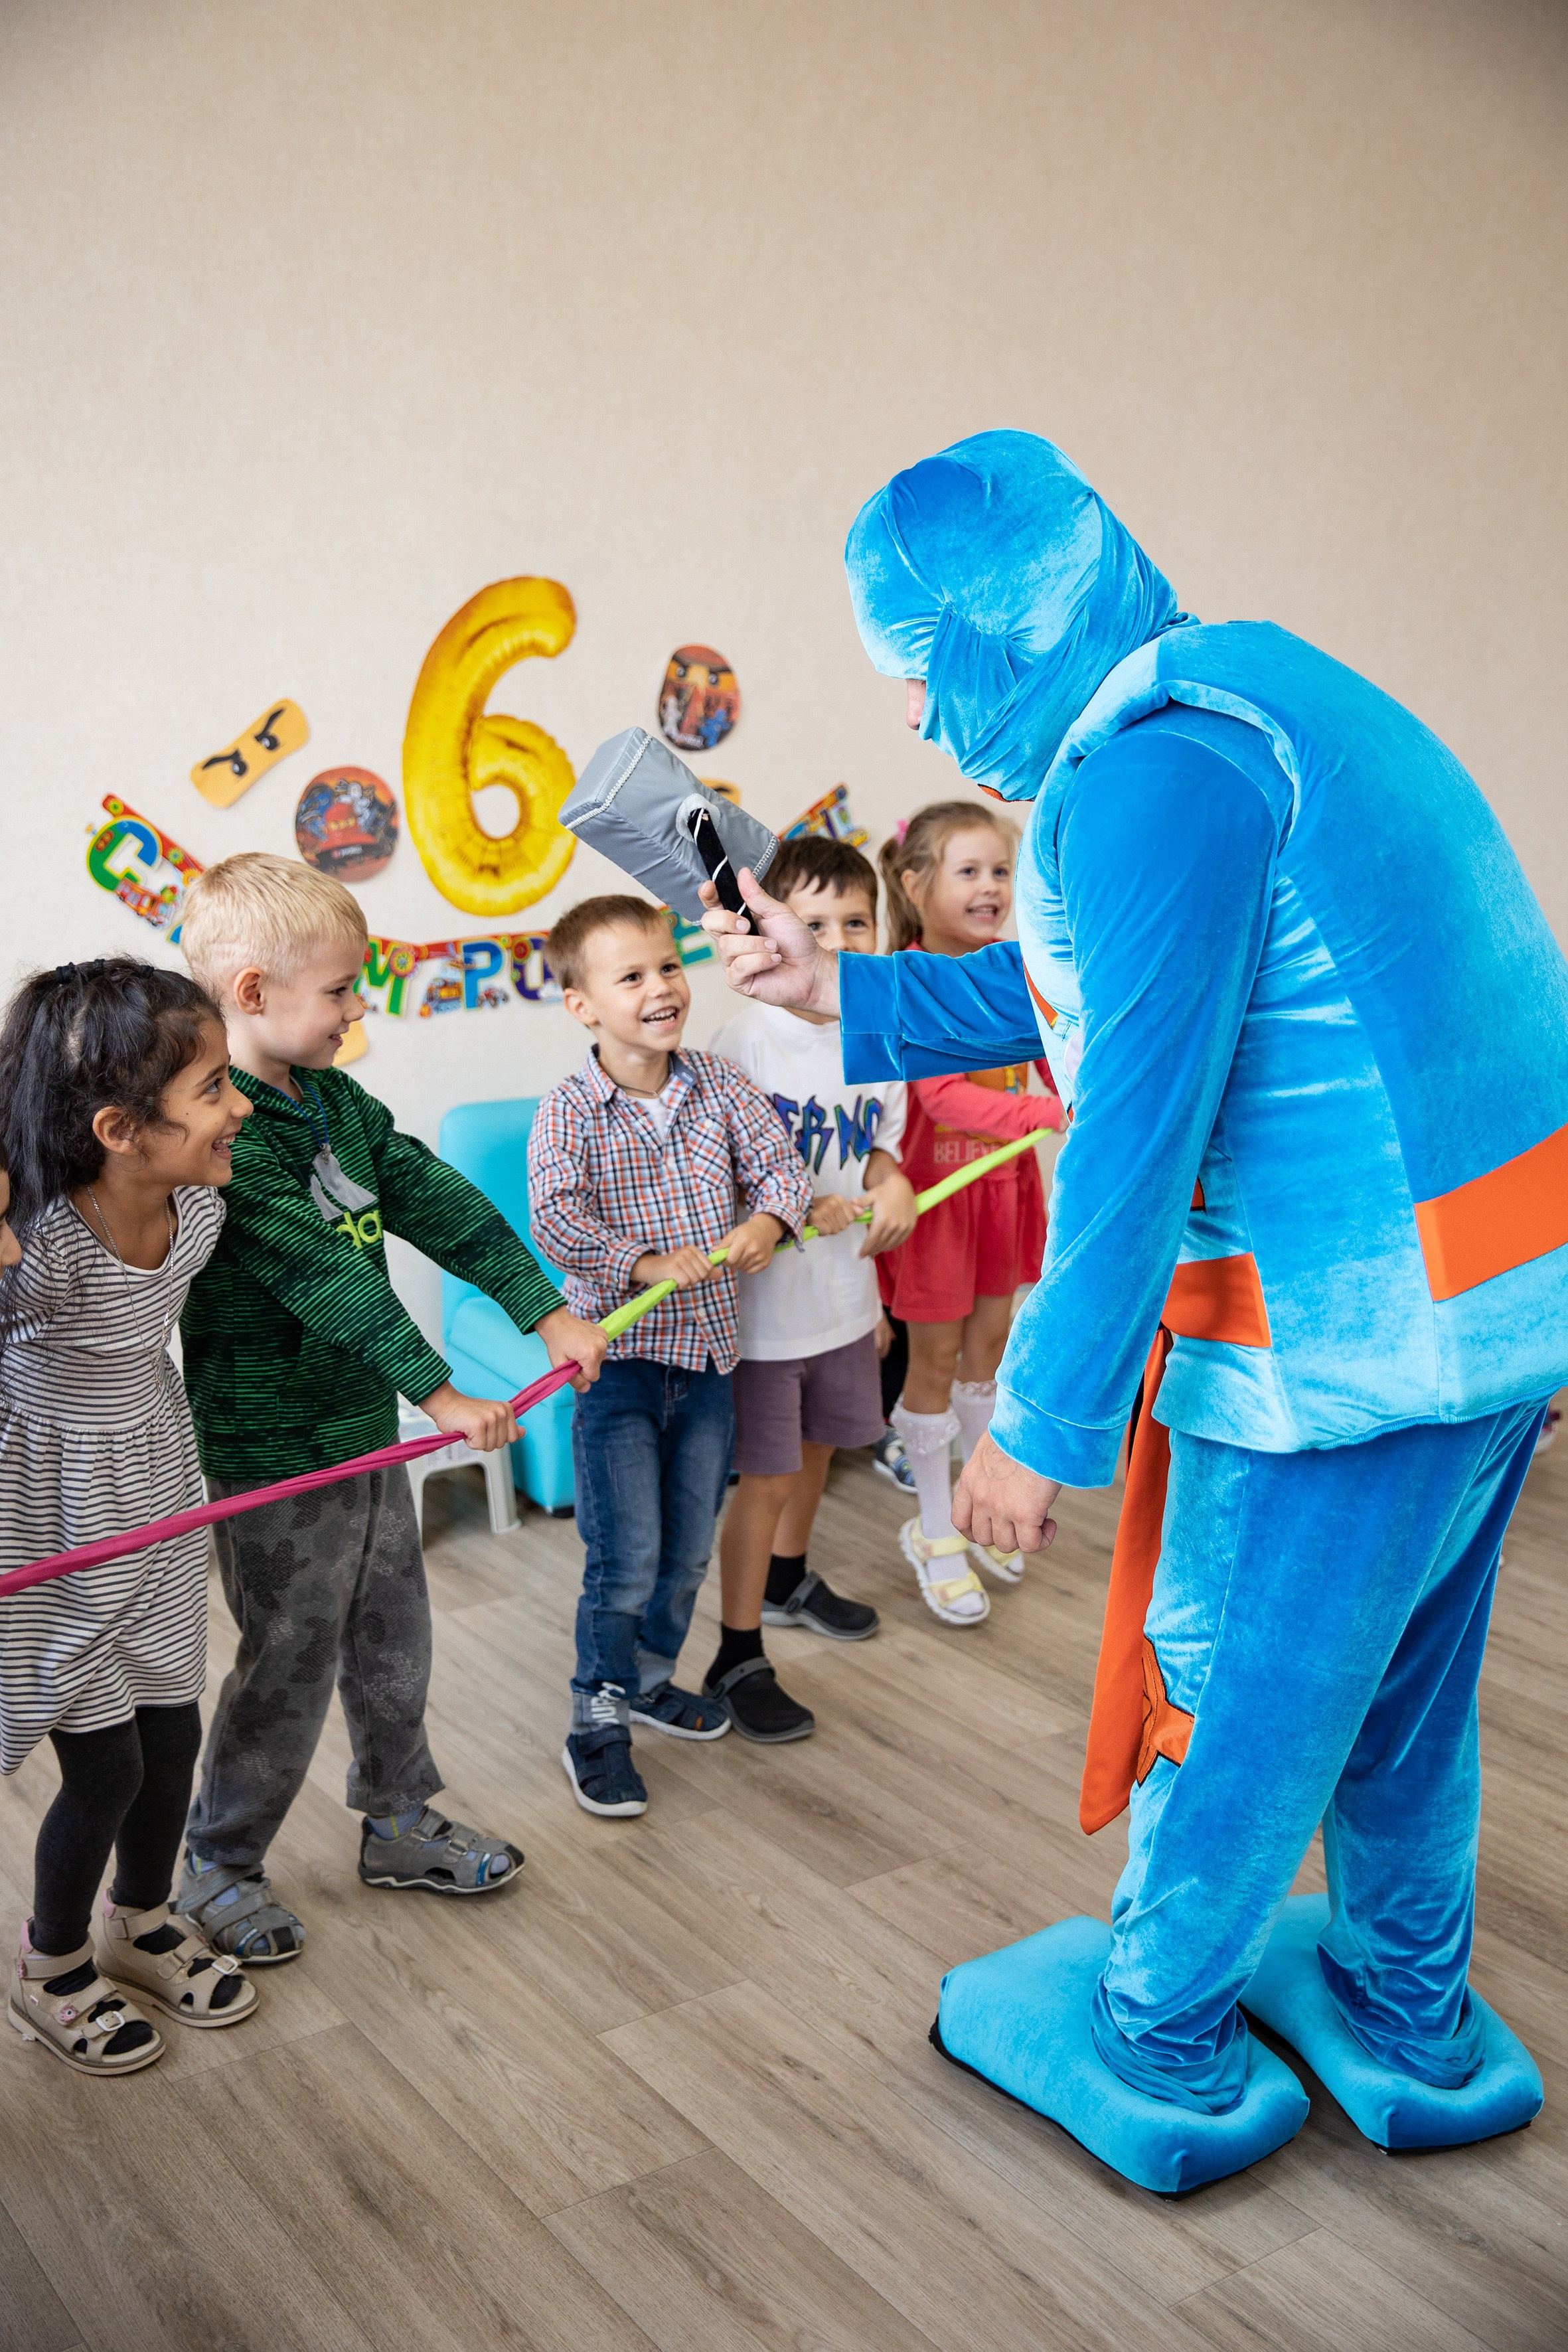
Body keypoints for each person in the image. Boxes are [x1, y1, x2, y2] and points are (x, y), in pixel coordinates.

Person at [700, 429, 1568, 2191]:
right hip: (1493, 1307)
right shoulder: (1239, 697)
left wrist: (1038, 1418)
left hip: (1343, 1347)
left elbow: (1138, 1119)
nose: (935, 730)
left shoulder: (1152, 784)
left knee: (1234, 1691)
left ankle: (1163, 2026)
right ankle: (1408, 2002)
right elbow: (1073, 987)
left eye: (932, 674)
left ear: (1008, 627)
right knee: (1401, 1688)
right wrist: (841, 990)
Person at [174, 854, 607, 1962]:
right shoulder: (225, 1138)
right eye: (339, 989)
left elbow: (435, 1199)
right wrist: (444, 1391)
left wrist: (542, 1309)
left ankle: (398, 1818)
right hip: (275, 1446)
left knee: (391, 1635)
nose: (358, 1006)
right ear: (255, 991)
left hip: (361, 1429)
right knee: (288, 1654)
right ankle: (220, 1860)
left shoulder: (339, 1102)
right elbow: (326, 1275)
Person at [0, 959, 261, 2075]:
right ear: (116, 1126)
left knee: (173, 1734)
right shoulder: (43, 1239)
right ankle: (52, 1963)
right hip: (52, 1514)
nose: (237, 1104)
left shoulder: (199, 1203)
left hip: (157, 1484)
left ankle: (140, 1917)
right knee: (103, 1766)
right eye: (211, 1088)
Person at [529, 895, 811, 1810]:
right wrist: (647, 1261)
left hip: (708, 1364)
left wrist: (769, 1218)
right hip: (617, 1370)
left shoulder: (722, 1084)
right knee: (626, 1553)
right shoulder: (568, 1109)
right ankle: (595, 1716)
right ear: (582, 1005)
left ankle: (648, 1675)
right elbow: (556, 1220)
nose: (660, 987)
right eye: (631, 975)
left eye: (668, 966)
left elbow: (783, 1169)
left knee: (686, 1549)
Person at [709, 836, 917, 1714]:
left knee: (822, 1449)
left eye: (852, 921)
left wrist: (891, 1178)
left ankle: (790, 1577)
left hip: (843, 1294)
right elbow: (716, 1178)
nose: (833, 937)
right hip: (767, 1312)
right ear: (770, 930)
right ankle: (736, 1647)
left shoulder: (878, 1030)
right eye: (813, 921)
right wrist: (795, 1207)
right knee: (765, 1474)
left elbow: (876, 1144)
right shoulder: (742, 1041)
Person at [873, 805, 1063, 1623]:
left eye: (1000, 872)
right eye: (970, 871)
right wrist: (1040, 1119)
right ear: (915, 886)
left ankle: (981, 1503)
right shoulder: (908, 981)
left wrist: (1068, 1096)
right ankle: (933, 1527)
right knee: (936, 1359)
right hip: (937, 1207)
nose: (990, 888)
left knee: (991, 1351)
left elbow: (1053, 1061)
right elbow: (941, 1095)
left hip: (1005, 1195)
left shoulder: (1016, 972)